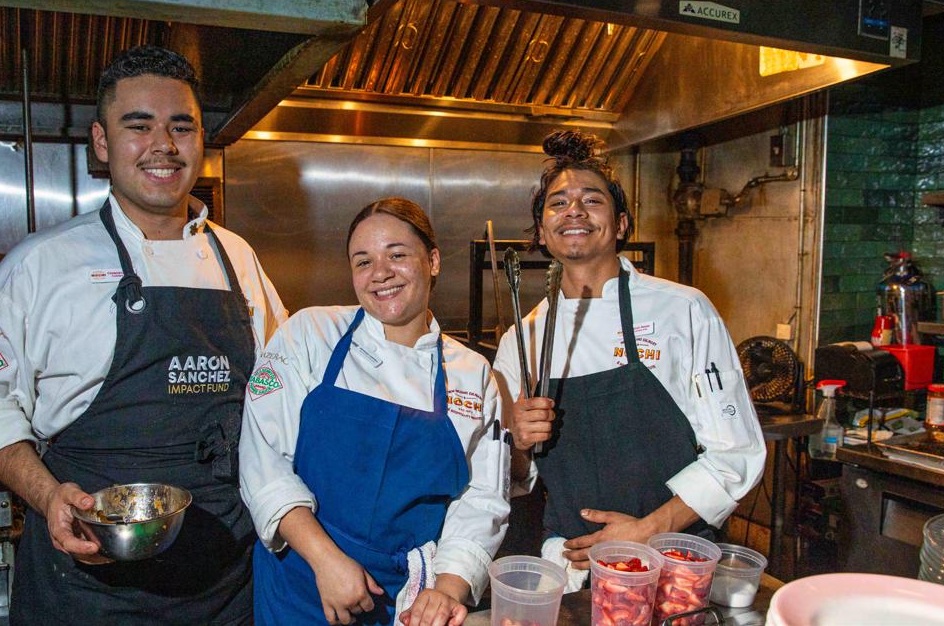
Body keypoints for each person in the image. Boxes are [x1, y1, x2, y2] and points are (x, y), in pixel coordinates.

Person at [0, 46, 287, 624]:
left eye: (181, 127)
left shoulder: (238, 258)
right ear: (102, 143)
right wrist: (48, 496)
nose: (164, 145)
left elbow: (280, 382)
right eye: (139, 126)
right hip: (90, 580)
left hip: (226, 578)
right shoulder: (42, 265)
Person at [493, 131, 765, 584]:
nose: (574, 210)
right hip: (572, 569)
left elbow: (736, 453)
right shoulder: (522, 339)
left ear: (620, 225)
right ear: (541, 231)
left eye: (592, 200)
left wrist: (647, 531)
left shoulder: (683, 310)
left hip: (674, 559)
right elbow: (516, 476)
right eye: (558, 203)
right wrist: (518, 443)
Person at [240, 198, 510, 626]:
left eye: (397, 255)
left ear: (433, 261)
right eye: (363, 261)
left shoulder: (471, 373)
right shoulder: (310, 335)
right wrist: (326, 560)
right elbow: (263, 461)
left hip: (408, 601)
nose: (380, 273)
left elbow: (481, 499)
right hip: (301, 580)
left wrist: (447, 589)